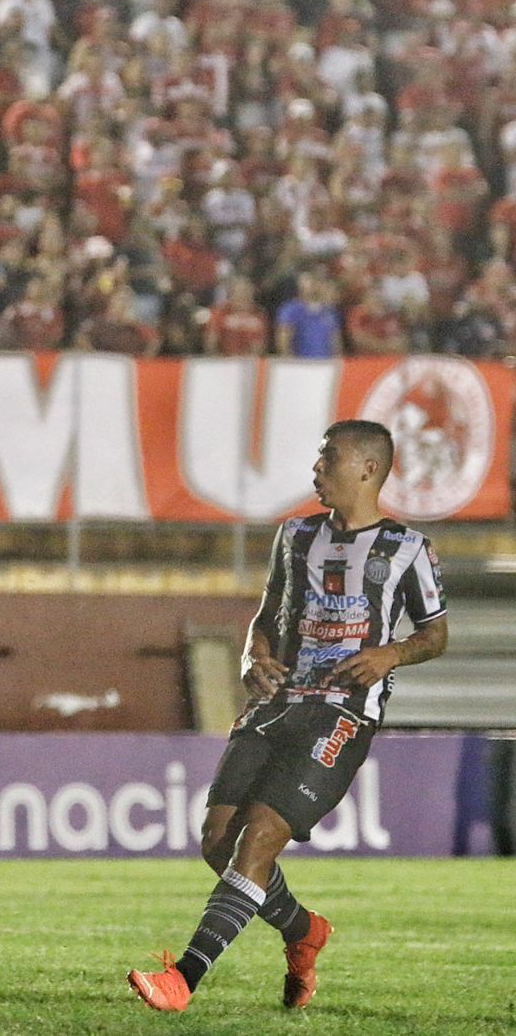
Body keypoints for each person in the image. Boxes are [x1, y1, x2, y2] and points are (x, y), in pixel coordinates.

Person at [128, 420, 448, 1013]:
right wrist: (256, 654)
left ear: (368, 469)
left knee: (260, 839)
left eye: (330, 458)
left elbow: (436, 635)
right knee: (217, 843)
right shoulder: (295, 536)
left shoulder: (409, 549)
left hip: (343, 714)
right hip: (275, 704)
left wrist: (391, 653)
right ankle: (303, 931)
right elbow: (268, 615)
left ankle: (185, 980)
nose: (317, 468)